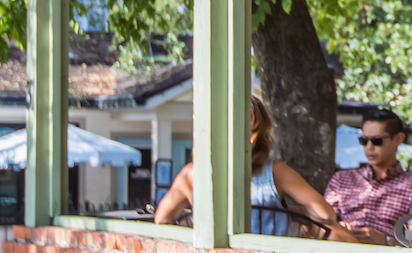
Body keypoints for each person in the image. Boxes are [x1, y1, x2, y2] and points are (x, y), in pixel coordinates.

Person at [153, 94, 357, 240]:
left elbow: (162, 221)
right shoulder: (275, 171)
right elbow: (325, 215)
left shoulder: (192, 174)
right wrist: (293, 212)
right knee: (338, 235)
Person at [324, 108, 412, 242]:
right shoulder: (341, 179)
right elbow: (323, 222)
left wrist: (386, 240)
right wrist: (339, 228)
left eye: (377, 141)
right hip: (340, 250)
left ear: (398, 139)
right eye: (364, 141)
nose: (369, 147)